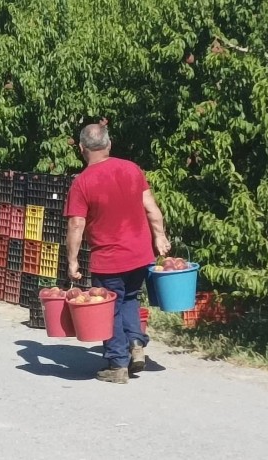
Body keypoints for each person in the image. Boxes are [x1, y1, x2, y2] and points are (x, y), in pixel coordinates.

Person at [63, 122, 171, 384]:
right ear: (109, 144)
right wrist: (159, 236)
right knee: (130, 299)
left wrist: (73, 260)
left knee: (109, 307)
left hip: (109, 258)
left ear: (81, 148)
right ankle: (135, 343)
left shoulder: (82, 182)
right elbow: (151, 207)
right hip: (140, 253)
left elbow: (77, 224)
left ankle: (117, 364)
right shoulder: (132, 169)